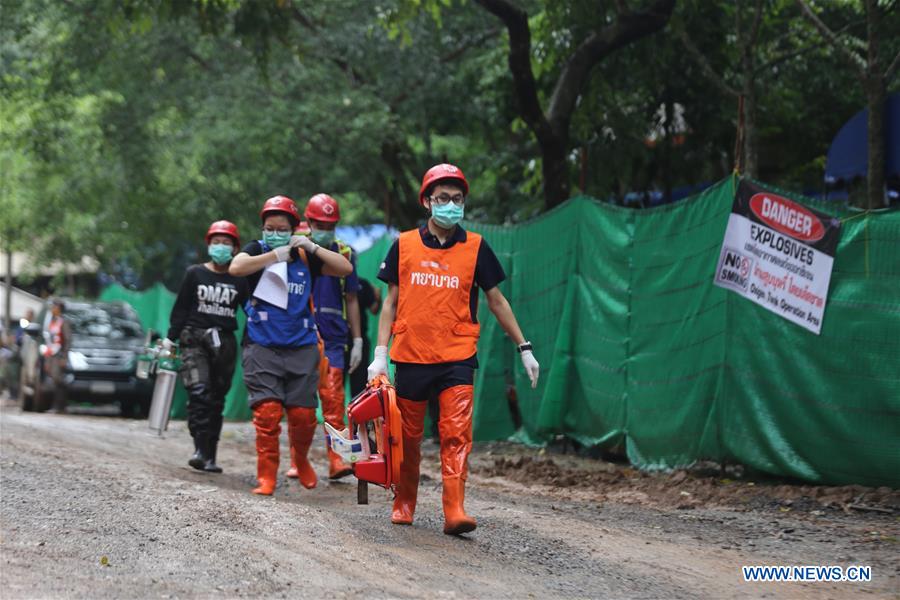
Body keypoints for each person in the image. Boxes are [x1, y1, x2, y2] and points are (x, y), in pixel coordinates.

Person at [368, 163, 540, 535]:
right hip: (411, 355)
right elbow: (389, 303)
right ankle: (404, 501)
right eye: (443, 198)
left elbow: (497, 300)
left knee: (456, 433)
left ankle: (455, 509)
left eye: (457, 199)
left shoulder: (476, 247)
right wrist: (380, 354)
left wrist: (524, 347)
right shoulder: (404, 244)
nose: (451, 204)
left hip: (457, 356)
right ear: (427, 202)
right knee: (407, 437)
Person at [229, 195, 352, 496]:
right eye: (269, 228)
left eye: (282, 229)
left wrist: (311, 246)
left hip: (301, 346)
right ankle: (266, 476)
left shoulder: (305, 256)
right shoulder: (257, 250)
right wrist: (274, 255)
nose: (275, 233)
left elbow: (344, 269)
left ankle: (301, 459)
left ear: (294, 229)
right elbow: (236, 267)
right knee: (268, 412)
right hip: (262, 345)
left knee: (303, 415)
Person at [167, 221, 249, 473]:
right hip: (194, 340)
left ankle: (210, 455)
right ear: (208, 245)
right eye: (216, 242)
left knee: (216, 399)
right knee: (199, 392)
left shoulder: (240, 279)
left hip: (224, 343)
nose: (220, 247)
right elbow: (181, 309)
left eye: (226, 243)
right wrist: (170, 339)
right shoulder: (194, 273)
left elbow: (251, 311)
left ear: (235, 248)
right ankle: (200, 450)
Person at [301, 193, 362, 480]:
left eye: (330, 225)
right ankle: (298, 460)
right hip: (300, 334)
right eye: (320, 224)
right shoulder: (297, 248)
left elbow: (352, 298)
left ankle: (339, 460)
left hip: (334, 336)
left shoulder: (346, 253)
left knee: (334, 398)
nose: (325, 229)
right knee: (300, 401)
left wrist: (358, 340)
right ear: (309, 221)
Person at [346, 278, 380, 397]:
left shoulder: (362, 284)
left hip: (359, 339)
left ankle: (358, 408)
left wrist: (378, 297)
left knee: (359, 386)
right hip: (337, 339)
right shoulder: (332, 280)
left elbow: (374, 308)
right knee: (333, 383)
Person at [44, 299, 72, 414]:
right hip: (52, 355)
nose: (52, 309)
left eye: (54, 307)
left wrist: (64, 357)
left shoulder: (63, 322)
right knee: (55, 380)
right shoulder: (52, 321)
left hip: (59, 355)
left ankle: (60, 406)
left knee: (59, 380)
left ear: (59, 308)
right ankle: (57, 406)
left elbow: (68, 340)